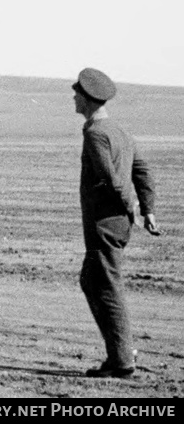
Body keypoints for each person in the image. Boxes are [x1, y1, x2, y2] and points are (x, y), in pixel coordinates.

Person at [72, 67, 160, 378]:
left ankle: (121, 359)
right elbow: (143, 171)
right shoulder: (120, 131)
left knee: (106, 287)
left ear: (87, 100)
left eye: (77, 95)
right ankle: (119, 349)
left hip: (106, 223)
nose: (73, 98)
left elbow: (112, 180)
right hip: (114, 222)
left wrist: (133, 208)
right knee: (91, 280)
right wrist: (148, 210)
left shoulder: (97, 134)